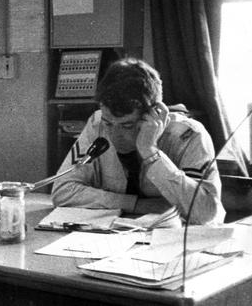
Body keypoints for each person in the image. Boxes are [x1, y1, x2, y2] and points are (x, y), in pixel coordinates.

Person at [51, 58, 225, 225]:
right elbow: (62, 191)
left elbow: (205, 214)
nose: (114, 135)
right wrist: (135, 204)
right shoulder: (97, 124)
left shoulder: (189, 135)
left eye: (127, 125)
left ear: (154, 114)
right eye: (109, 123)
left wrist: (150, 152)